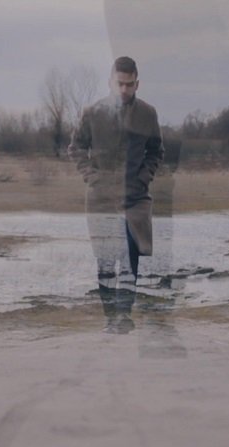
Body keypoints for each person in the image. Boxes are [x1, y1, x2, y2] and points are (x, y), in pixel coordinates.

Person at [68, 56, 164, 334]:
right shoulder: (93, 112)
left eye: (129, 84)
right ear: (110, 82)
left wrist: (143, 178)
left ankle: (125, 316)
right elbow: (75, 148)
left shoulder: (148, 114)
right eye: (119, 84)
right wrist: (93, 177)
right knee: (106, 259)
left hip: (135, 198)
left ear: (137, 84)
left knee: (131, 256)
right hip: (101, 198)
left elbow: (156, 151)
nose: (124, 89)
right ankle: (111, 317)